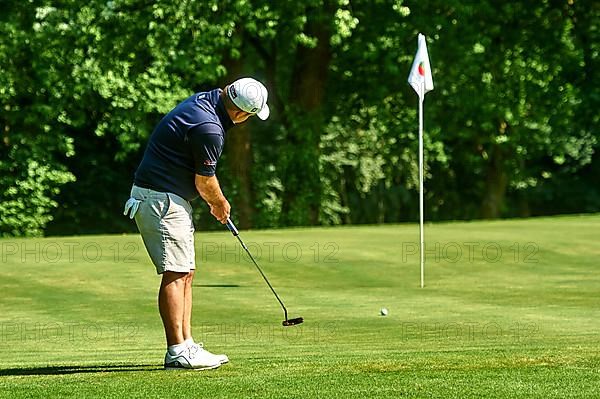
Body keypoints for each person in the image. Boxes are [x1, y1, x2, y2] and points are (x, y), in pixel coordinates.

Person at [123, 77, 270, 370]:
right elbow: (204, 182)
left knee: (186, 271)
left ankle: (187, 345)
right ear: (241, 114)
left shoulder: (208, 100)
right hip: (161, 199)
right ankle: (177, 349)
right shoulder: (210, 128)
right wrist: (220, 204)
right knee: (176, 273)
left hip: (167, 197)